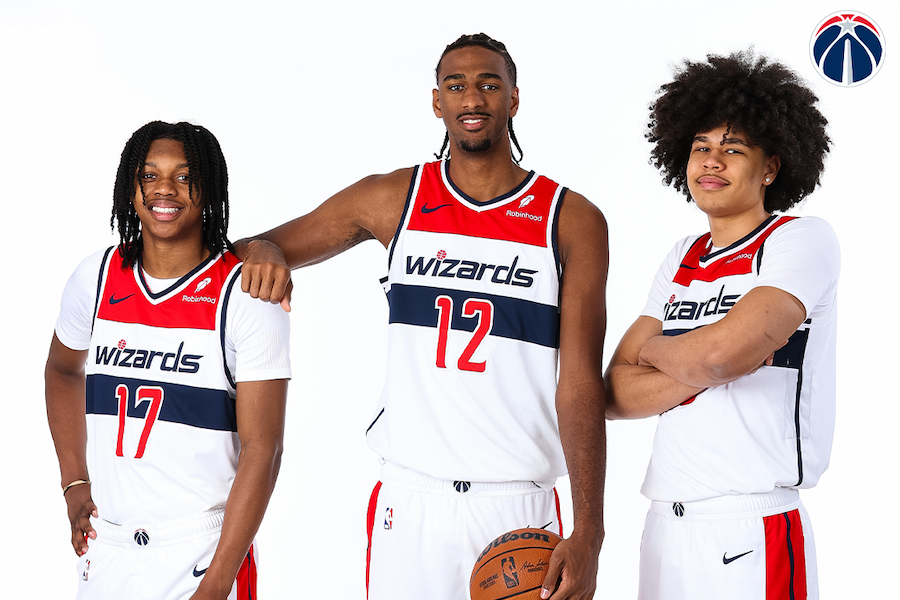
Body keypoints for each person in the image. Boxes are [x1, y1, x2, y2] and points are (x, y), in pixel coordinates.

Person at [237, 34, 607, 600]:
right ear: (437, 102)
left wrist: (591, 530)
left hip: (519, 504)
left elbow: (579, 378)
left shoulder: (570, 218)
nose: (473, 99)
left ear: (514, 98)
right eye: (456, 86)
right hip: (411, 501)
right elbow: (254, 246)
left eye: (489, 84)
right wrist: (264, 250)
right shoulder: (394, 198)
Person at [604, 51, 838, 600]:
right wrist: (714, 355)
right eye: (701, 147)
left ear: (771, 168)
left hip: (751, 525)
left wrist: (671, 352)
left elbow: (719, 357)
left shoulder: (801, 240)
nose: (712, 161)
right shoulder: (682, 255)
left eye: (732, 150)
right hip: (665, 524)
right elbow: (614, 391)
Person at [45, 121, 291, 600]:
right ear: (129, 187)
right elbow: (61, 369)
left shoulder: (244, 294)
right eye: (150, 174)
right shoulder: (95, 277)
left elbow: (265, 450)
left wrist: (218, 584)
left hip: (200, 551)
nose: (165, 189)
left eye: (184, 176)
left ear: (209, 189)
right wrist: (74, 479)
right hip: (109, 545)